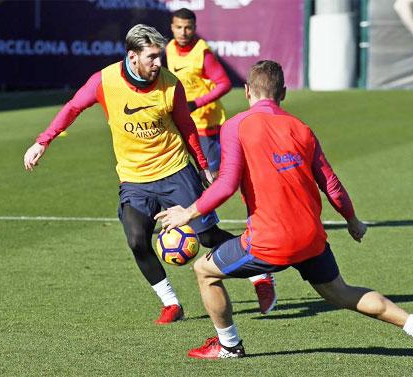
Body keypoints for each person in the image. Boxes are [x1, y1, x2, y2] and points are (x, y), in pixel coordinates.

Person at [155, 60, 413, 363]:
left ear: (246, 91)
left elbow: (227, 183)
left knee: (204, 271)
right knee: (340, 292)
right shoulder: (302, 129)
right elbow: (332, 185)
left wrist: (188, 213)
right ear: (283, 92)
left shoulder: (237, 125)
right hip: (311, 238)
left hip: (270, 241)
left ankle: (229, 345)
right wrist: (352, 222)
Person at [23, 25, 268, 325]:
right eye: (152, 57)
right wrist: (42, 141)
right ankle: (171, 303)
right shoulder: (105, 80)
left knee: (207, 236)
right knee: (137, 239)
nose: (158, 63)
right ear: (132, 56)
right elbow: (73, 107)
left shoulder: (170, 85)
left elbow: (187, 127)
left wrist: (202, 165)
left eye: (160, 56)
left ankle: (259, 273)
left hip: (175, 170)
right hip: (134, 178)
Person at [166, 7, 276, 315]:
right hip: (185, 130)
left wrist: (196, 103)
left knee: (215, 190)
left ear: (194, 27)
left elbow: (223, 83)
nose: (184, 32)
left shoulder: (202, 51)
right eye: (179, 27)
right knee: (203, 201)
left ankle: (253, 258)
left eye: (188, 27)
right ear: (172, 28)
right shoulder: (170, 50)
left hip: (209, 129)